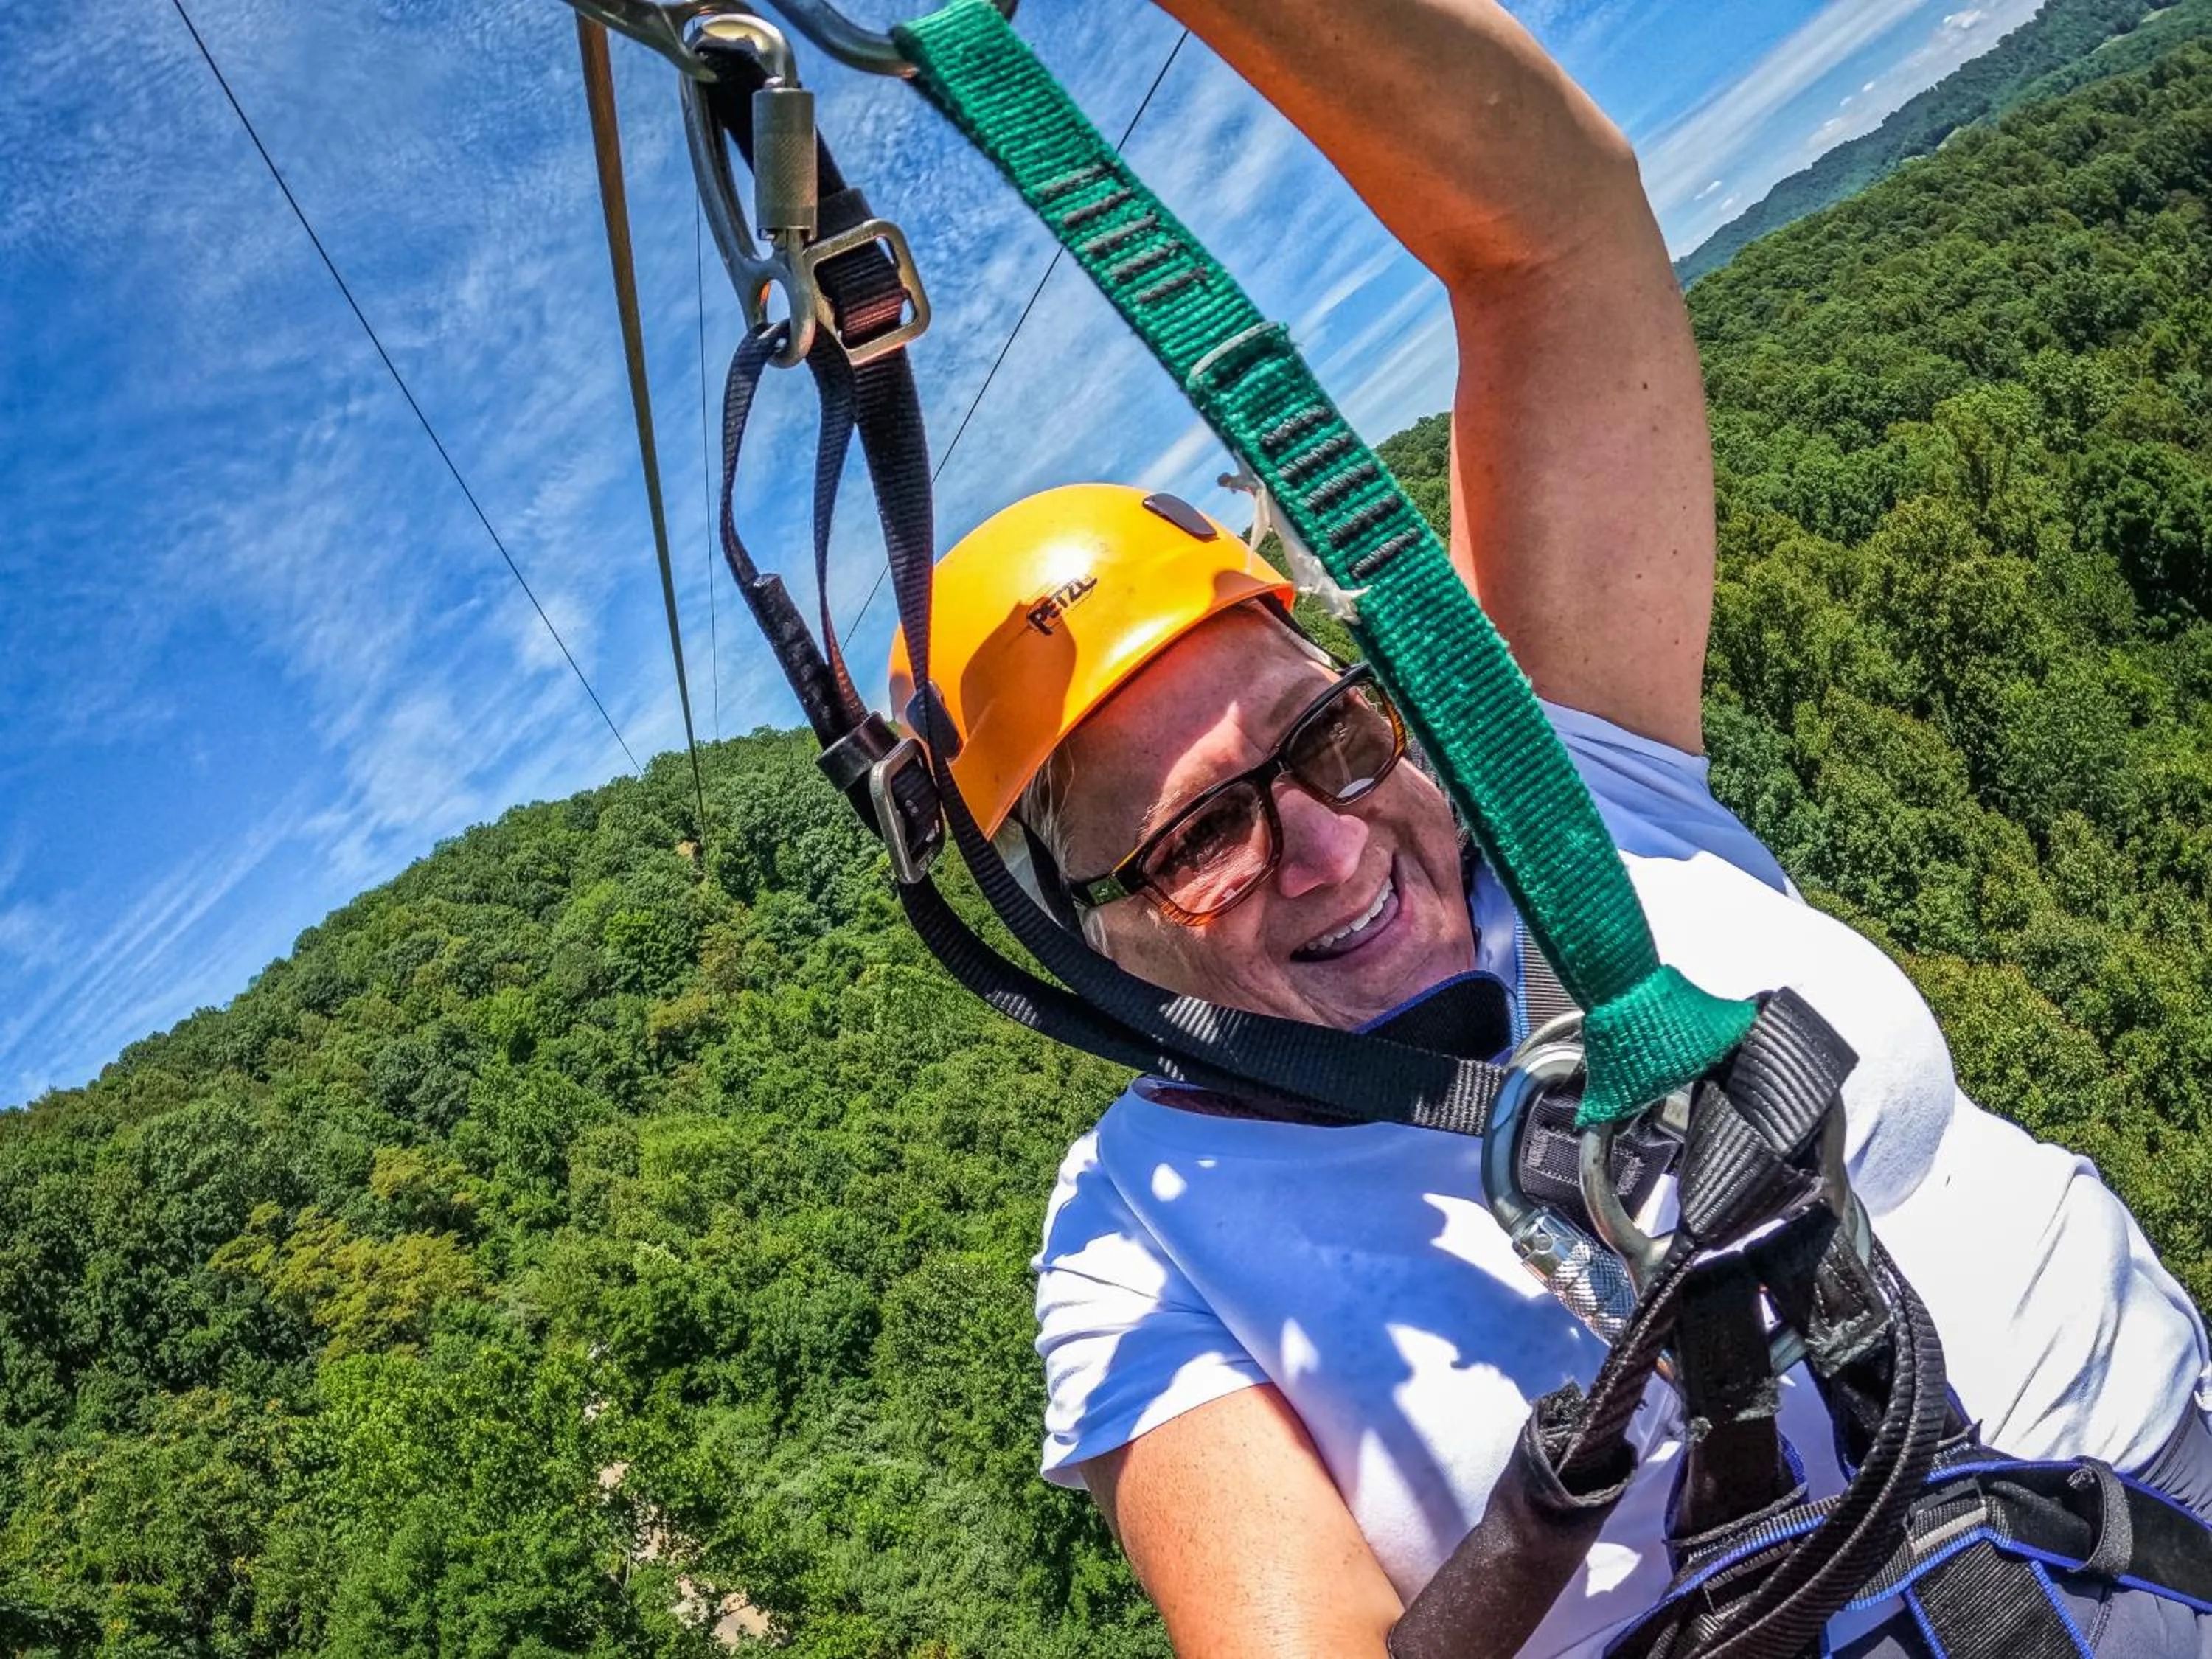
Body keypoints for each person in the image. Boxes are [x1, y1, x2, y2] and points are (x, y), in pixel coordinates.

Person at [888, 2, 2212, 1654]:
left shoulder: (1559, 792)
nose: (1328, 847)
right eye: (1198, 840)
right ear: (1096, 933)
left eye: (1333, 739)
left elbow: (1553, 227)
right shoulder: (1146, 1230)